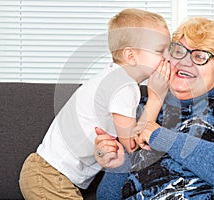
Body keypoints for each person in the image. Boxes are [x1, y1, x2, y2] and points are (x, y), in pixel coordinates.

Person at [94, 17, 214, 199]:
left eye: (200, 56)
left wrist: (162, 137)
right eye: (178, 51)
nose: (184, 62)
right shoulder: (143, 109)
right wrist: (117, 166)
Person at [19, 8, 171, 199]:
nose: (168, 57)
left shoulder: (113, 78)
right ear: (131, 56)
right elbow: (132, 145)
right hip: (49, 175)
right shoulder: (123, 86)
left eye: (169, 50)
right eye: (160, 50)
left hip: (49, 174)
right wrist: (156, 97)